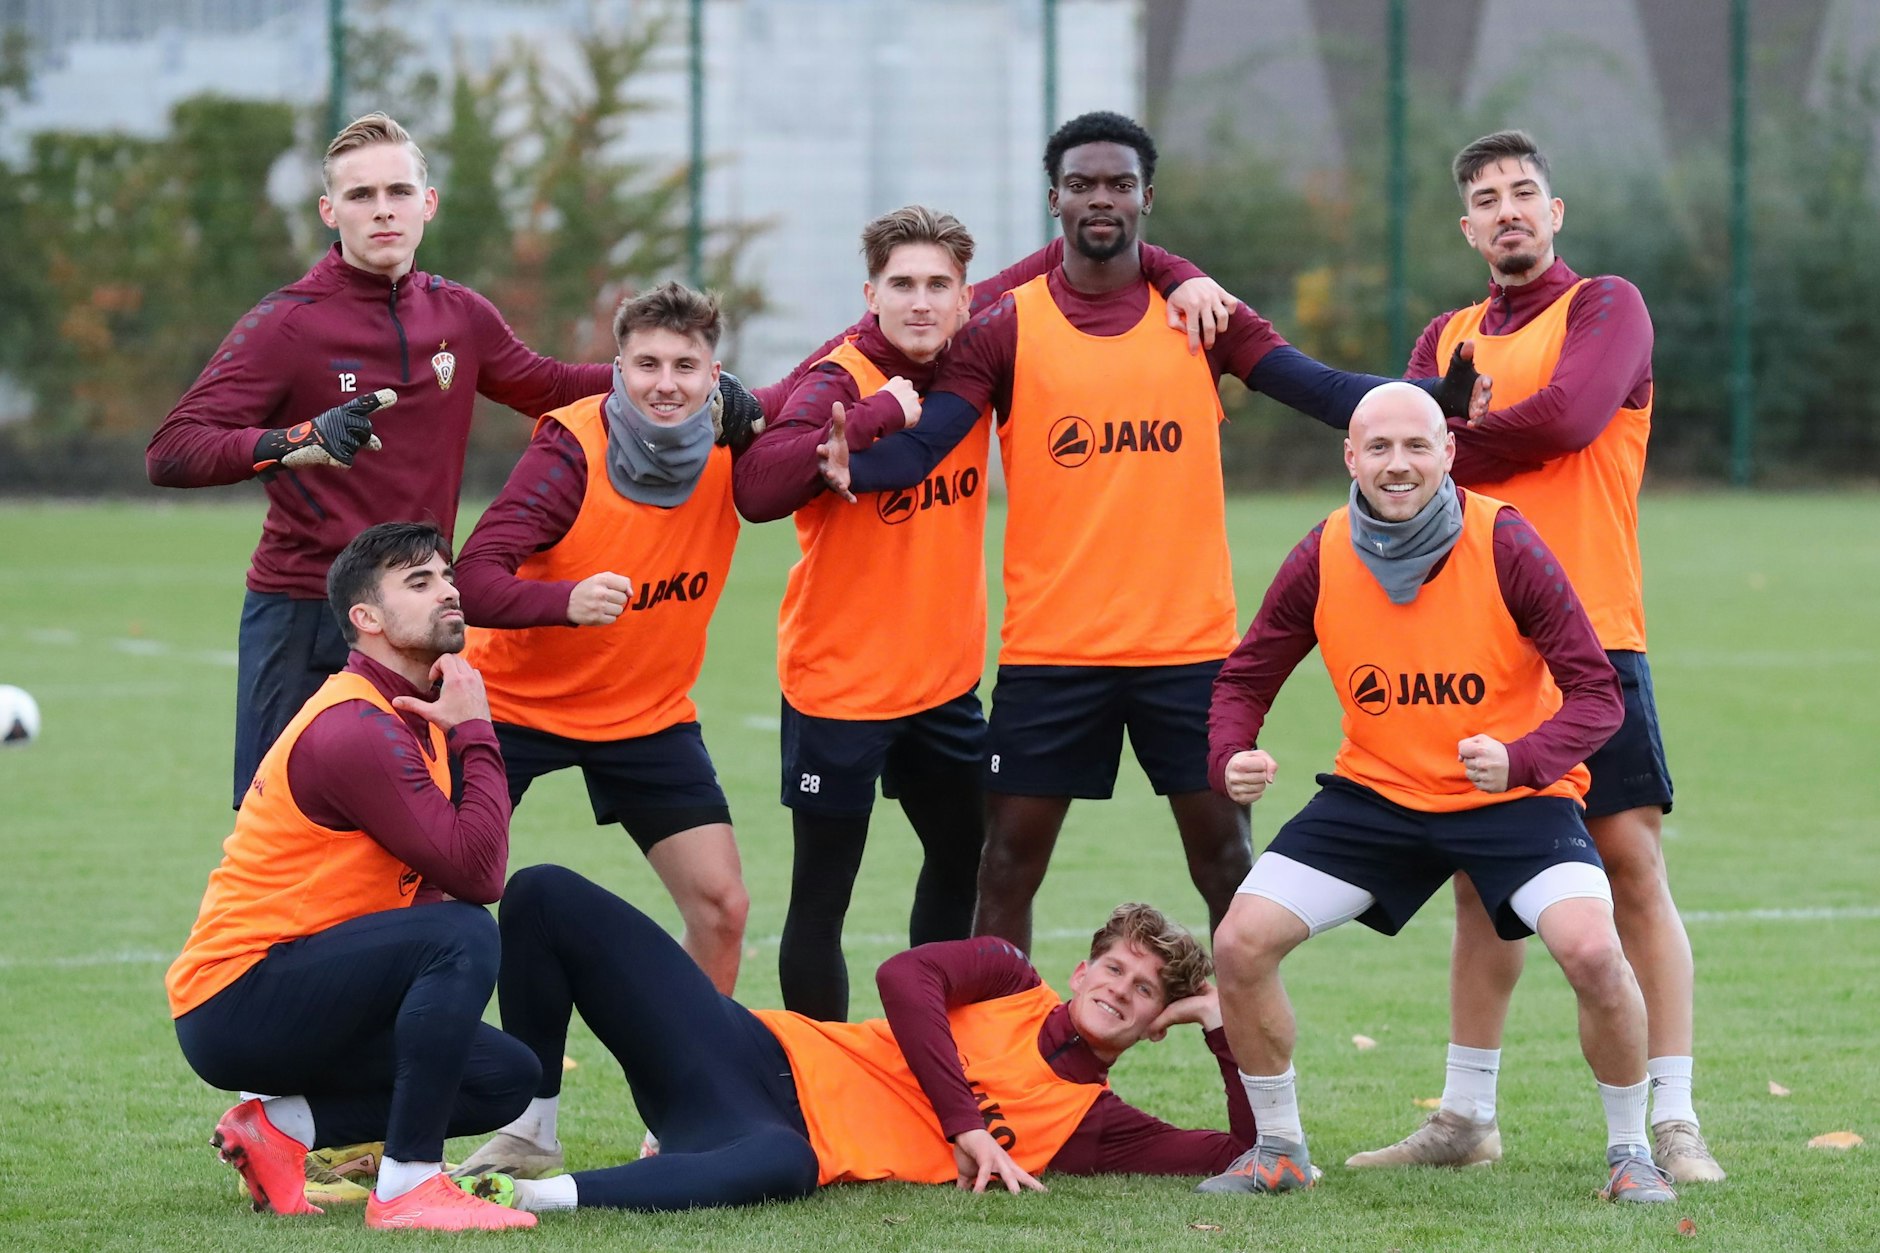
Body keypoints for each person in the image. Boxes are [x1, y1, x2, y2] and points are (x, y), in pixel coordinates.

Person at [822, 111, 1485, 953]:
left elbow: (1318, 390)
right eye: (1084, 184)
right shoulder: (1004, 326)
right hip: (1054, 653)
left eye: (1121, 185)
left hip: (1189, 651)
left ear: (1147, 198)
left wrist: (1431, 393)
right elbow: (923, 441)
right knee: (1006, 868)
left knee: (1227, 867)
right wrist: (846, 465)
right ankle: (998, 1067)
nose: (1103, 199)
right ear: (1054, 196)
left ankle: (1253, 1082)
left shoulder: (1201, 318)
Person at [145, 112, 763, 810]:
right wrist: (295, 441)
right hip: (306, 610)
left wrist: (695, 383)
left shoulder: (459, 315)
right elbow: (173, 450)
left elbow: (552, 386)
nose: (383, 210)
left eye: (399, 192)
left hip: (418, 617)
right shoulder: (288, 323)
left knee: (413, 828)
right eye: (360, 195)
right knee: (285, 821)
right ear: (329, 211)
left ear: (427, 203)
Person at [729, 206, 1230, 1021]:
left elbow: (1073, 250)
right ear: (871, 294)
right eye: (901, 285)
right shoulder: (839, 376)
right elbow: (758, 487)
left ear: (967, 299)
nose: (921, 302)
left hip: (945, 688)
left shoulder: (974, 364)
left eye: (938, 286)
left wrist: (1179, 271)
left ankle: (932, 1054)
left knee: (963, 861)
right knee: (824, 893)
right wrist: (879, 413)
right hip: (840, 688)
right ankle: (821, 1083)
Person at [1345, 130, 1722, 1184]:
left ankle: (1675, 1117)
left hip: (1592, 636)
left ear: (1552, 213)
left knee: (1630, 869)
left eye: (1522, 192)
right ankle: (1464, 1114)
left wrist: (1451, 430)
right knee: (1479, 882)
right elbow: (1403, 470)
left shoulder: (1606, 305)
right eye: (1485, 198)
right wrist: (1430, 434)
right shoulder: (1445, 330)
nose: (1506, 208)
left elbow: (1568, 416)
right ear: (1466, 229)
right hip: (1476, 640)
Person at [1197, 383, 1675, 1204]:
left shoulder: (1507, 540)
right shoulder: (1324, 548)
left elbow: (1598, 691)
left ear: (1448, 453)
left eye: (1417, 445)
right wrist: (1229, 751)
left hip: (1517, 801)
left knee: (1596, 953)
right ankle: (1278, 1148)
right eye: (1378, 447)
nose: (1397, 463)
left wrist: (1523, 758)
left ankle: (1633, 1153)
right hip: (1376, 797)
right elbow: (1246, 673)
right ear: (1349, 456)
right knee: (1240, 941)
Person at [450, 866, 1254, 1213]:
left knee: (788, 1166)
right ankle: (534, 1126)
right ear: (1081, 970)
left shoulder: (1093, 1124)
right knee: (544, 893)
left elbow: (1242, 1154)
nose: (1120, 988)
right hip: (747, 1050)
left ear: (1156, 1023)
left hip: (772, 1139)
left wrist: (1217, 1024)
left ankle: (529, 1197)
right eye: (1114, 968)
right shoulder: (1012, 974)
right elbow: (906, 978)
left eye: (1145, 990)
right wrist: (965, 1124)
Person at [165, 521, 538, 1231]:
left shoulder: (408, 713)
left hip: (303, 987)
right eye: (420, 582)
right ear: (365, 619)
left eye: (448, 576)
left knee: (504, 1076)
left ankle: (278, 1132)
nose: (449, 591)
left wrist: (460, 731)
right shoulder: (355, 726)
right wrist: (478, 731)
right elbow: (479, 876)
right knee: (462, 934)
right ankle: (408, 1187)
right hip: (239, 999)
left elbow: (439, 878)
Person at [455, 282, 752, 994]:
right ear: (617, 368)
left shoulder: (736, 443)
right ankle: (421, 1074)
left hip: (644, 713)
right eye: (646, 364)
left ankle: (688, 1091)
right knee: (442, 899)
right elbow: (469, 579)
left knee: (722, 907)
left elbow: (819, 404)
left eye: (685, 366)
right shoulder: (569, 451)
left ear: (716, 376)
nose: (665, 384)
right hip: (511, 706)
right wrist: (565, 600)